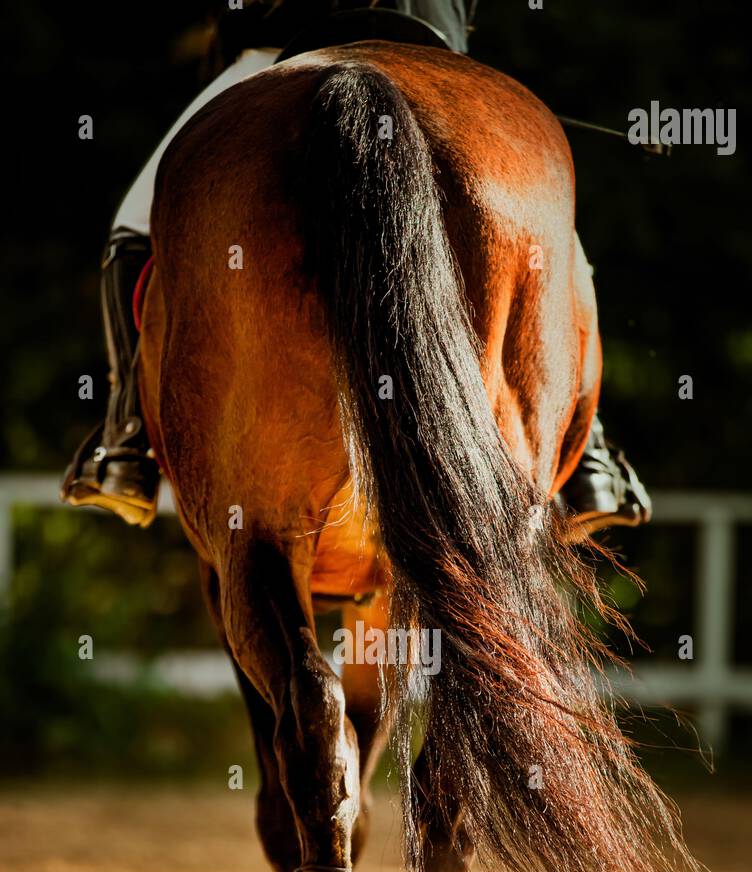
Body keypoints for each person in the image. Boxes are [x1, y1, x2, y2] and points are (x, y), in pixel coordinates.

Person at [61, 0, 651, 533]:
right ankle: (590, 457)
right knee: (559, 250)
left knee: (131, 229)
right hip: (433, 53)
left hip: (283, 51)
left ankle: (126, 441)